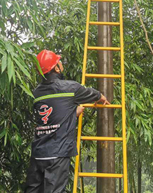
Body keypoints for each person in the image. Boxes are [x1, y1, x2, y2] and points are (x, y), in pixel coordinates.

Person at [24, 49, 110, 193]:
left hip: (38, 153)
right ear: (56, 68)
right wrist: (101, 96)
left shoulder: (36, 93)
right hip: (57, 154)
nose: (61, 64)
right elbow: (91, 93)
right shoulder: (70, 88)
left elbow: (50, 116)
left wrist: (72, 113)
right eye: (59, 62)